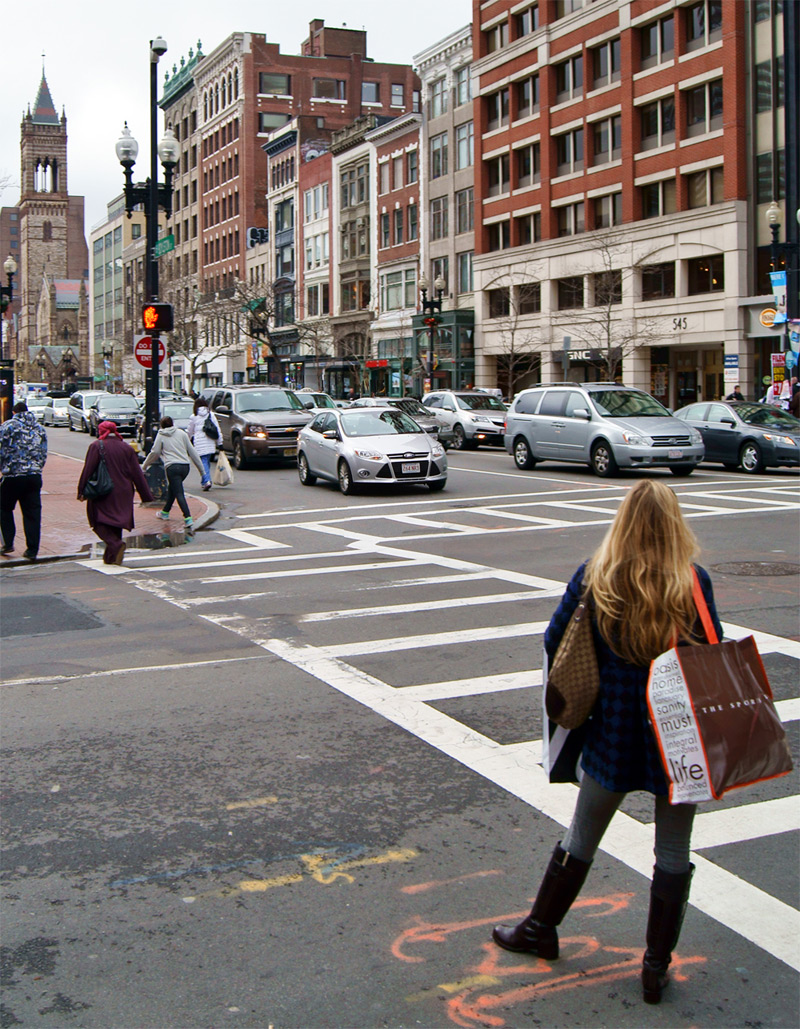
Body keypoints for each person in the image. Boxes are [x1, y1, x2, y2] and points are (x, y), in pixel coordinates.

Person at [492, 480, 723, 1006]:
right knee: (672, 851)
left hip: (613, 730)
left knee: (581, 836)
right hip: (677, 738)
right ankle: (653, 968)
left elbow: (555, 641)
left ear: (622, 522)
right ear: (673, 525)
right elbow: (712, 649)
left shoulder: (596, 578)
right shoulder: (693, 581)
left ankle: (540, 929)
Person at [77, 420, 154, 565]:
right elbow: (137, 473)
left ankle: (115, 545)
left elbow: (88, 470)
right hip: (124, 490)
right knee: (116, 522)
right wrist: (145, 494)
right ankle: (111, 558)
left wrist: (81, 490)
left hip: (103, 490)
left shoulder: (96, 446)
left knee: (96, 519)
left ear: (101, 431)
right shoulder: (126, 448)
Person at [0, 401, 48, 560]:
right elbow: (43, 452)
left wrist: (3, 467)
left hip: (13, 475)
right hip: (34, 476)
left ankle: (8, 542)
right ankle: (32, 549)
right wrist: (37, 467)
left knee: (4, 508)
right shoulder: (39, 428)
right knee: (33, 513)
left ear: (14, 412)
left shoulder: (8, 426)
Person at [142, 415, 204, 528]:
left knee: (179, 492)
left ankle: (188, 517)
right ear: (173, 424)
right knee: (173, 489)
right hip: (185, 466)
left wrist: (145, 465)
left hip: (172, 467)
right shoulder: (182, 433)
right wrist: (202, 471)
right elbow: (192, 452)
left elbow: (155, 452)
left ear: (161, 425)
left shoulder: (161, 435)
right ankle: (165, 512)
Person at [186, 396, 220, 491]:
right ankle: (204, 481)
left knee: (203, 462)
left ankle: (206, 481)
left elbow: (190, 431)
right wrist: (220, 443)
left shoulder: (194, 417)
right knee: (206, 462)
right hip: (210, 442)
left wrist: (187, 440)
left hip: (199, 443)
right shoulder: (211, 415)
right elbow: (217, 429)